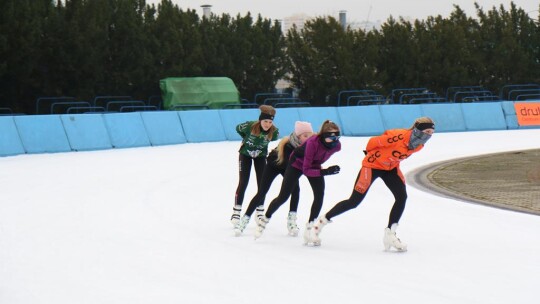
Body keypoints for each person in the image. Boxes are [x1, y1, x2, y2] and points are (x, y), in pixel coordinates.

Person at [309, 117, 436, 251]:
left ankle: (390, 234)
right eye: (427, 131)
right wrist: (371, 154)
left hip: (390, 168)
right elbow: (372, 142)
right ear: (418, 130)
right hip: (372, 166)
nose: (429, 135)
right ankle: (320, 223)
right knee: (354, 202)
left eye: (431, 133)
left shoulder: (419, 145)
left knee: (401, 197)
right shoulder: (397, 136)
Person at [254, 120, 342, 244]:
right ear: (322, 136)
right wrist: (326, 172)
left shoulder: (337, 146)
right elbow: (306, 170)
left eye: (337, 136)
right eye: (330, 137)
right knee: (283, 197)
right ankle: (265, 218)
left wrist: (321, 169)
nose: (334, 140)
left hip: (314, 164)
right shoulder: (312, 143)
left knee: (319, 195)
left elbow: (318, 158)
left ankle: (309, 229)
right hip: (297, 164)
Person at [234, 121, 314, 236]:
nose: (308, 139)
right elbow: (294, 164)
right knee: (261, 192)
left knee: (296, 190)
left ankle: (291, 221)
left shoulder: (308, 145)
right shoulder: (288, 145)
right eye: (305, 136)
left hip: (289, 167)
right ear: (298, 136)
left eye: (310, 136)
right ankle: (244, 220)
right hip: (274, 165)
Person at [231, 105, 279, 226]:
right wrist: (245, 138)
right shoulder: (250, 126)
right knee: (243, 182)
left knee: (262, 184)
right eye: (265, 121)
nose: (267, 124)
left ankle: (260, 211)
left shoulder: (274, 132)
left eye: (270, 122)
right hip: (245, 155)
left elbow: (274, 138)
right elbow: (238, 128)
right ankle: (236, 212)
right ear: (260, 120)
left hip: (261, 157)